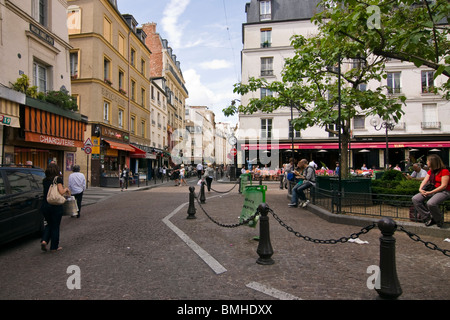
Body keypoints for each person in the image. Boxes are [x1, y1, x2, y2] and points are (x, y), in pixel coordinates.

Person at [412, 154, 450, 228]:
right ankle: (427, 217)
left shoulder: (444, 171)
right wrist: (420, 189)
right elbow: (425, 181)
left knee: (431, 203)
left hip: (444, 191)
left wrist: (430, 192)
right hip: (433, 190)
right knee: (415, 199)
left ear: (433, 162)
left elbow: (444, 186)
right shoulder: (430, 171)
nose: (426, 162)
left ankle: (439, 220)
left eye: (428, 161)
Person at [40, 163, 70, 252]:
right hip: (55, 206)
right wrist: (66, 189)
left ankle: (44, 240)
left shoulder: (45, 180)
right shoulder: (58, 179)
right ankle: (54, 247)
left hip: (45, 205)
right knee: (55, 226)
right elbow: (61, 192)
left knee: (49, 224)